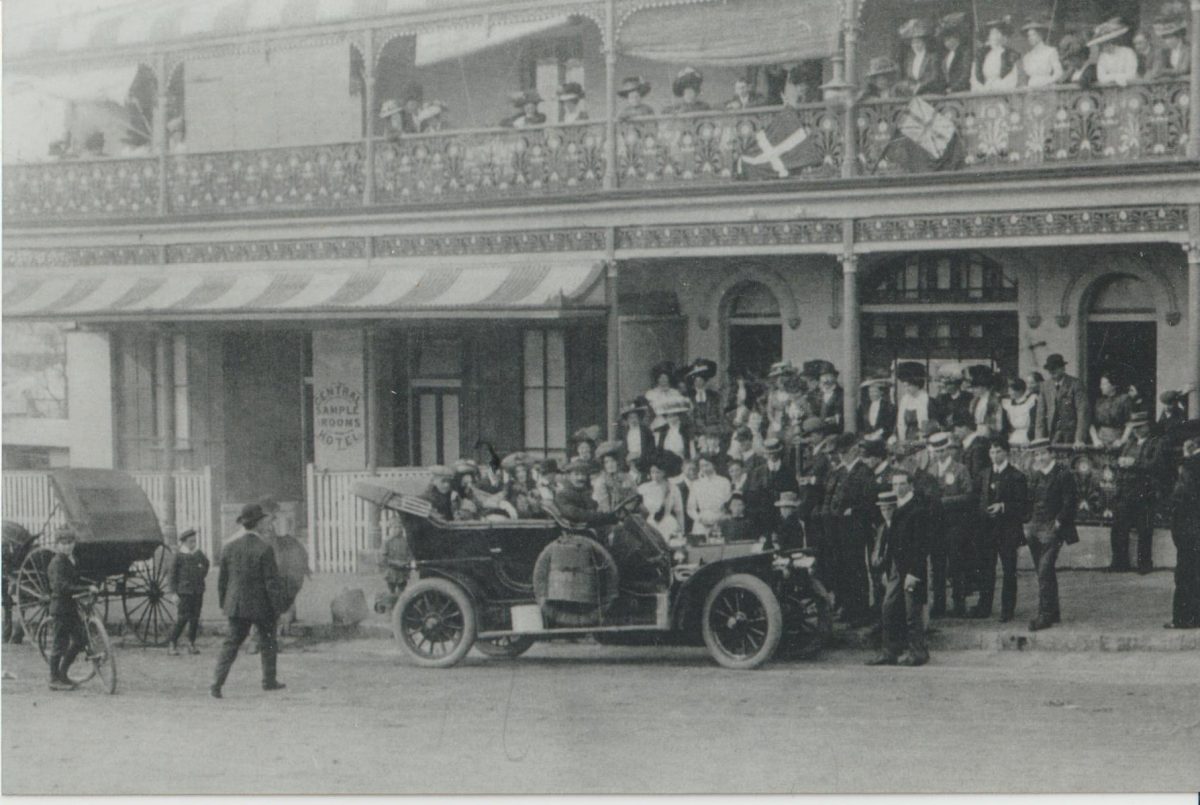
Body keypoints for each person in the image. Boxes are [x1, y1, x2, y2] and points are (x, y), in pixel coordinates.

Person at [211, 503, 286, 698]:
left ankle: (216, 683)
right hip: (262, 607)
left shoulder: (229, 547)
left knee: (231, 644)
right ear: (258, 524)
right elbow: (271, 583)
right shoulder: (264, 548)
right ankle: (269, 681)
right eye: (263, 521)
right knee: (269, 642)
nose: (265, 525)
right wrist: (278, 609)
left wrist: (224, 604)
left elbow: (222, 582)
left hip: (236, 605)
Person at [867, 478, 930, 667]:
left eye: (901, 483)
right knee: (888, 608)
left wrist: (914, 572)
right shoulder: (897, 508)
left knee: (912, 611)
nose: (897, 487)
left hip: (911, 569)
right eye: (893, 484)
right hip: (896, 568)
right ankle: (890, 651)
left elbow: (921, 545)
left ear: (910, 485)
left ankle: (918, 652)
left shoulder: (917, 509)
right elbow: (891, 544)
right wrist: (888, 569)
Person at [1024, 438, 1079, 631]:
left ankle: (1044, 615)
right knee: (1042, 571)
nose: (1039, 457)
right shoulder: (1034, 474)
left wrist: (1059, 521)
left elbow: (1070, 501)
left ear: (1052, 453)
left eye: (1043, 453)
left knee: (1045, 569)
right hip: (1035, 528)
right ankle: (1053, 611)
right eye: (1036, 454)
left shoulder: (1063, 474)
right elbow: (1029, 499)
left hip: (1053, 528)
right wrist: (1028, 523)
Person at [973, 439, 1029, 622]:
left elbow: (1023, 506)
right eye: (991, 452)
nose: (994, 455)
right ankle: (984, 606)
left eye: (997, 451)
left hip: (1008, 531)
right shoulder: (984, 474)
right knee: (986, 569)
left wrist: (1003, 506)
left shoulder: (1016, 476)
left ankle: (1007, 609)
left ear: (1006, 452)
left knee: (1008, 571)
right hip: (986, 530)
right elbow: (977, 499)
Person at [921, 432, 976, 617]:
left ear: (949, 450)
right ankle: (939, 604)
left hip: (955, 524)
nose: (940, 454)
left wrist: (945, 501)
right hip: (935, 526)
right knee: (937, 566)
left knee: (956, 564)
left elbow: (969, 495)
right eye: (936, 451)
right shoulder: (930, 470)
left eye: (943, 450)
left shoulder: (960, 469)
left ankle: (959, 603)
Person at [829, 433, 876, 627]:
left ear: (853, 451)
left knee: (856, 568)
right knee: (843, 567)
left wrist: (853, 510)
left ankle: (861, 611)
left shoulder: (864, 471)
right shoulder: (840, 473)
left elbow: (869, 500)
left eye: (844, 452)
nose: (841, 456)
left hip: (856, 526)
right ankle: (848, 607)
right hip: (840, 526)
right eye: (840, 453)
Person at [1110, 411, 1164, 573]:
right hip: (1126, 491)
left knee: (1144, 530)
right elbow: (1117, 461)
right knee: (1119, 529)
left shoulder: (1156, 443)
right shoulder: (1130, 443)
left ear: (1147, 427)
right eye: (1134, 428)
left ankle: (1144, 564)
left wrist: (1133, 464)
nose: (1136, 431)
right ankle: (1119, 563)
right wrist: (1120, 462)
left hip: (1144, 491)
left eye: (1139, 427)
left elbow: (1155, 464)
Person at [47, 526, 90, 691]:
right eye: (63, 543)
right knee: (59, 644)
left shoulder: (72, 560)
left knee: (80, 640)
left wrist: (90, 585)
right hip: (60, 608)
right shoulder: (57, 562)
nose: (67, 546)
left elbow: (76, 580)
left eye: (70, 542)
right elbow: (62, 586)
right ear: (57, 544)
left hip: (71, 608)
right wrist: (84, 589)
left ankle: (63, 674)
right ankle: (53, 679)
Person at [1165, 426, 1200, 629]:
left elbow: (1181, 499)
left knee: (1185, 573)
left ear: (1190, 444)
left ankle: (1184, 618)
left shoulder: (1189, 466)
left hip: (1189, 528)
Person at [260, 499, 310, 638]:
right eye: (272, 513)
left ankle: (281, 624)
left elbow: (278, 544)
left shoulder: (273, 526)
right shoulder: (259, 529)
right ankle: (259, 637)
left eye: (274, 514)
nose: (274, 517)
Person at [167, 528, 209, 655]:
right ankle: (172, 643)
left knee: (195, 618)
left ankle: (191, 644)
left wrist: (201, 573)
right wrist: (173, 593)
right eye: (191, 541)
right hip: (184, 592)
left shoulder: (198, 553)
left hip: (197, 591)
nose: (193, 544)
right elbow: (172, 575)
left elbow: (206, 564)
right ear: (184, 542)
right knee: (182, 618)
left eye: (194, 541)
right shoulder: (179, 555)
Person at [745, 436, 798, 535]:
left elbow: (793, 492)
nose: (772, 455)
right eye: (769, 453)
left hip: (783, 517)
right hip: (763, 517)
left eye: (775, 452)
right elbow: (752, 495)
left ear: (779, 452)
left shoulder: (789, 471)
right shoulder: (758, 472)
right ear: (765, 454)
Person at [1037, 353, 1090, 447]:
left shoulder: (1075, 384)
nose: (1052, 371)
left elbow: (1082, 412)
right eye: (1050, 369)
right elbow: (1040, 414)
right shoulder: (1045, 386)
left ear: (1063, 368)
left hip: (1070, 434)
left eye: (1055, 368)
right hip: (1051, 434)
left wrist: (1079, 439)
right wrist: (1039, 439)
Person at [555, 459, 620, 532]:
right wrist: (603, 516)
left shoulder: (585, 492)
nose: (580, 478)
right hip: (581, 531)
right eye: (576, 474)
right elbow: (576, 513)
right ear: (569, 476)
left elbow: (594, 507)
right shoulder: (562, 495)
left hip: (594, 527)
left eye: (583, 474)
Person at [687, 454, 732, 539]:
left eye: (707, 465)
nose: (704, 468)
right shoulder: (696, 484)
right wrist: (699, 519)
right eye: (701, 466)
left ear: (713, 465)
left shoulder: (724, 481)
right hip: (702, 521)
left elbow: (728, 503)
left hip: (719, 520)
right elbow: (690, 508)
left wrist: (720, 518)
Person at [638, 458, 685, 540]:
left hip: (667, 522)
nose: (655, 475)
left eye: (658, 472)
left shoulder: (673, 488)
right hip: (650, 522)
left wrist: (681, 530)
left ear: (664, 472)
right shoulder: (643, 488)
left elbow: (679, 512)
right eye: (652, 472)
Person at [897, 18, 946, 96]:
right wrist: (909, 86)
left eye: (918, 42)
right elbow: (908, 77)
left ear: (924, 43)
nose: (916, 45)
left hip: (931, 93)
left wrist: (920, 86)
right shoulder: (910, 60)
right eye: (913, 43)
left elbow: (934, 76)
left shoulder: (932, 57)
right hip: (915, 95)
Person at [972, 17, 1021, 91]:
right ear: (988, 36)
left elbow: (1012, 76)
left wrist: (997, 86)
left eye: (998, 33)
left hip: (1002, 90)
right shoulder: (981, 55)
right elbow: (975, 76)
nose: (995, 36)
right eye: (992, 33)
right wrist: (982, 88)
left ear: (1002, 35)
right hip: (985, 90)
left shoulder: (1009, 54)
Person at [1090, 18, 1139, 87]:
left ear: (1112, 42)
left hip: (1130, 88)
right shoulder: (1103, 57)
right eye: (1102, 45)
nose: (1104, 48)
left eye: (1106, 44)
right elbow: (1101, 77)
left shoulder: (1128, 52)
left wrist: (1111, 77)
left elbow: (1132, 74)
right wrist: (1116, 78)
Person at [1091, 370, 1134, 447]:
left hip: (1118, 440)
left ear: (1113, 385)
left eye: (1104, 384)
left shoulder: (1124, 399)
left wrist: (1122, 440)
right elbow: (1091, 423)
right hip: (1100, 442)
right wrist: (1096, 440)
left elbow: (1130, 422)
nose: (1101, 387)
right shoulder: (1099, 402)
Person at [895, 362, 933, 443]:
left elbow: (931, 425)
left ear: (917, 384)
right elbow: (900, 423)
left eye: (909, 386)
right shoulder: (905, 400)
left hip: (922, 440)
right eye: (905, 386)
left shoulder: (928, 401)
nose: (906, 389)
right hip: (906, 439)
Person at [593, 441, 636, 513]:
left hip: (627, 513)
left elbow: (634, 496)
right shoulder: (601, 481)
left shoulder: (627, 477)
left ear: (617, 462)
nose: (610, 465)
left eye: (613, 461)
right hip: (609, 516)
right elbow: (605, 506)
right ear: (603, 465)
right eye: (606, 462)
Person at [1021, 17, 1063, 88]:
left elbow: (1059, 73)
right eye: (1029, 36)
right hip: (1031, 87)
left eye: (1033, 35)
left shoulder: (1050, 51)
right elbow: (1026, 77)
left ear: (1040, 35)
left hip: (1046, 86)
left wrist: (1047, 81)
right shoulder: (1027, 56)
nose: (1030, 38)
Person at [938, 12, 973, 93]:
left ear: (957, 38)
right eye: (945, 40)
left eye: (949, 39)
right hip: (949, 92)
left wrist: (954, 88)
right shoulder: (947, 56)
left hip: (962, 91)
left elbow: (966, 75)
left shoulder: (965, 53)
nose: (946, 43)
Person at [619, 398, 656, 467]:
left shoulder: (646, 431)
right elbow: (623, 449)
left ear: (639, 418)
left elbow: (651, 447)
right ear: (627, 419)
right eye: (630, 418)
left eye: (635, 417)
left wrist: (641, 455)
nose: (633, 420)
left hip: (643, 460)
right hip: (629, 461)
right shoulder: (625, 432)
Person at [1002, 377, 1038, 446]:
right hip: (1015, 434)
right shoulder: (1008, 404)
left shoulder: (1031, 401)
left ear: (1020, 390)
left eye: (1011, 390)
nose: (1009, 393)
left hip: (1027, 434)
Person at [858, 377, 896, 442]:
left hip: (882, 440)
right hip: (866, 439)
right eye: (870, 392)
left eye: (874, 391)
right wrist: (864, 435)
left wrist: (879, 435)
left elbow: (889, 425)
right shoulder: (863, 406)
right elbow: (859, 424)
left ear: (881, 392)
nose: (872, 394)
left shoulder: (888, 406)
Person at [381, 517, 410, 594]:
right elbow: (384, 558)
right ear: (391, 528)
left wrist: (407, 562)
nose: (398, 529)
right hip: (392, 571)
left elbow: (409, 554)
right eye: (395, 527)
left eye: (400, 527)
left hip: (402, 571)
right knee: (391, 592)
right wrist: (396, 563)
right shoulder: (387, 541)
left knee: (402, 591)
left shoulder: (405, 541)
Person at [814, 362, 844, 435]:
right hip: (819, 432)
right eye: (823, 376)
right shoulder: (818, 394)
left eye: (828, 376)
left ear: (834, 377)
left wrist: (836, 418)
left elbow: (844, 413)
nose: (826, 380)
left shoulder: (841, 393)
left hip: (835, 431)